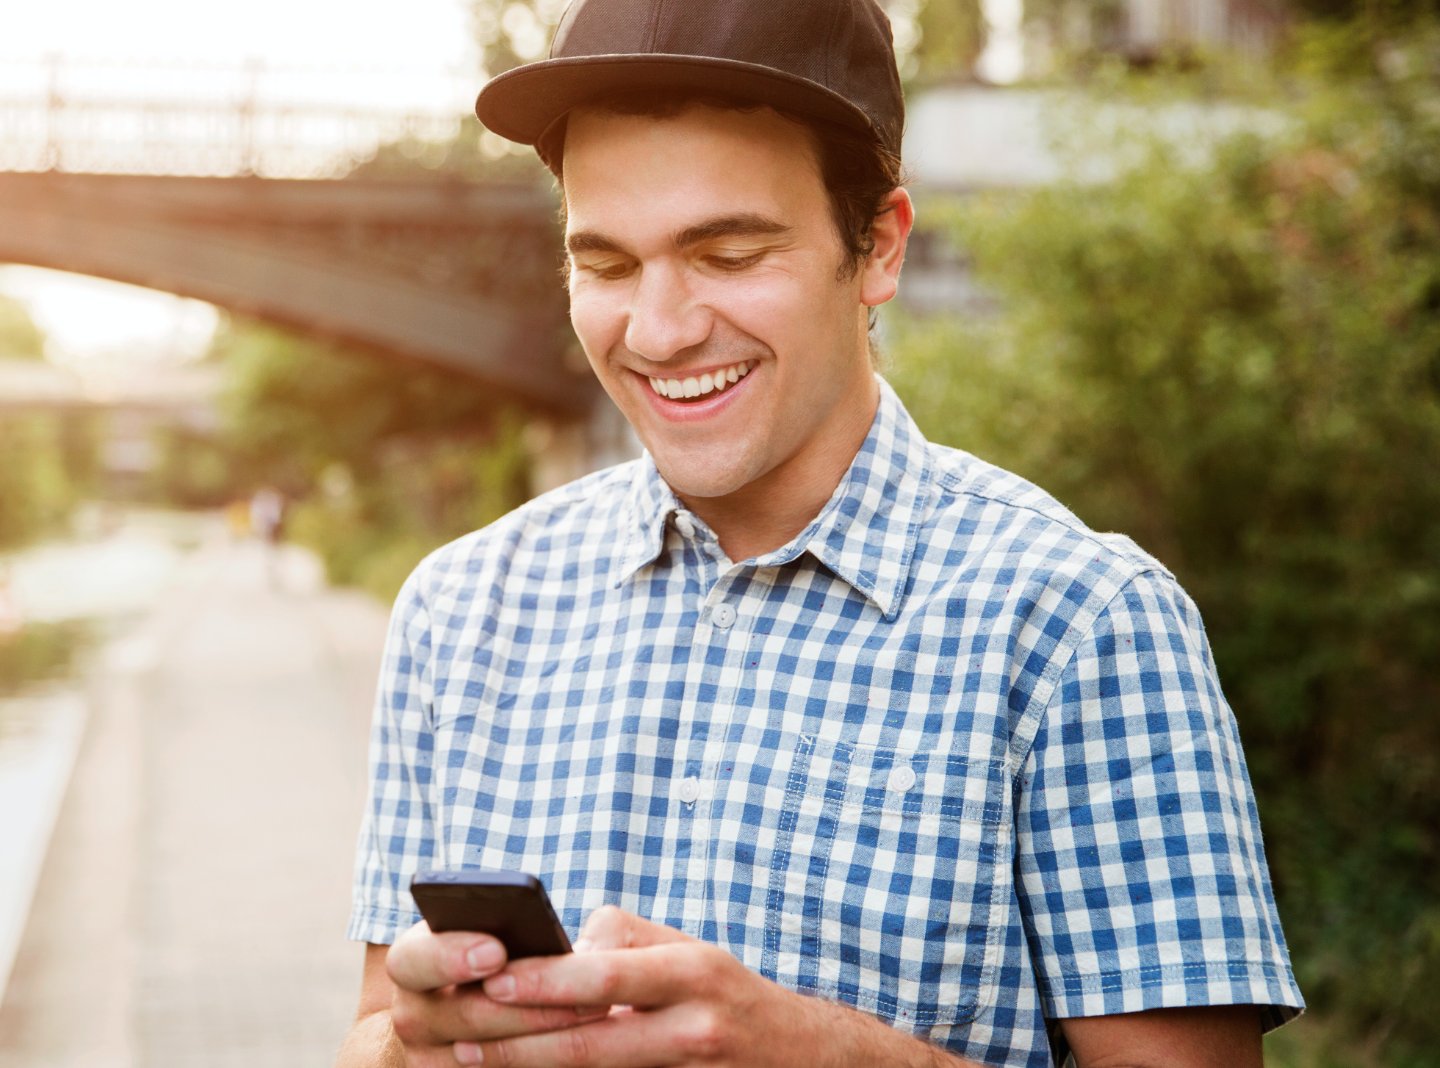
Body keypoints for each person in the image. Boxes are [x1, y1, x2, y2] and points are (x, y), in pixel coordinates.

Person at [337, 1, 1304, 1065]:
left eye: (731, 253)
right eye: (608, 265)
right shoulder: (458, 610)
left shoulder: (1081, 628)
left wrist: (823, 1051)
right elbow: (373, 1035)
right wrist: (414, 1043)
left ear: (878, 246)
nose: (659, 331)